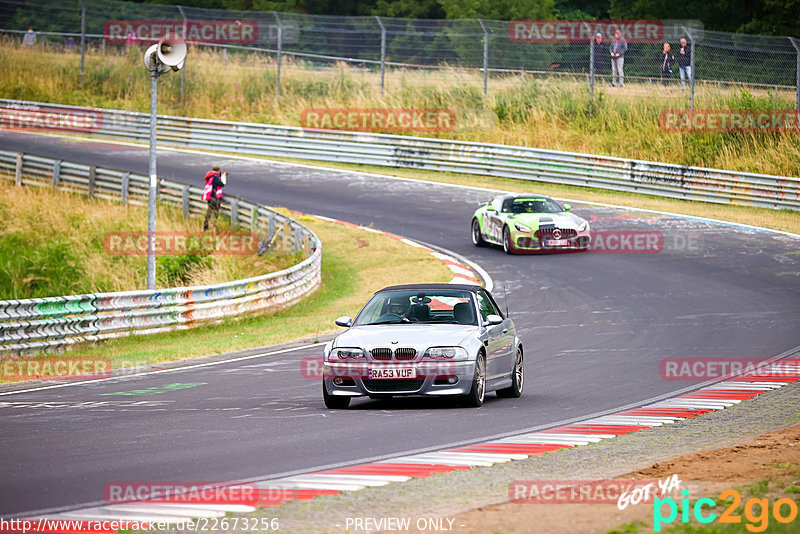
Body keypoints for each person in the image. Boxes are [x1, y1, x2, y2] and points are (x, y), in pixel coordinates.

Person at [202, 166, 226, 231]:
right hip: (213, 197)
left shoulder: (210, 176)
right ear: (218, 170)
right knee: (215, 211)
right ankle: (214, 225)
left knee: (209, 210)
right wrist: (223, 177)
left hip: (209, 196)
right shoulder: (215, 177)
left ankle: (206, 226)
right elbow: (222, 184)